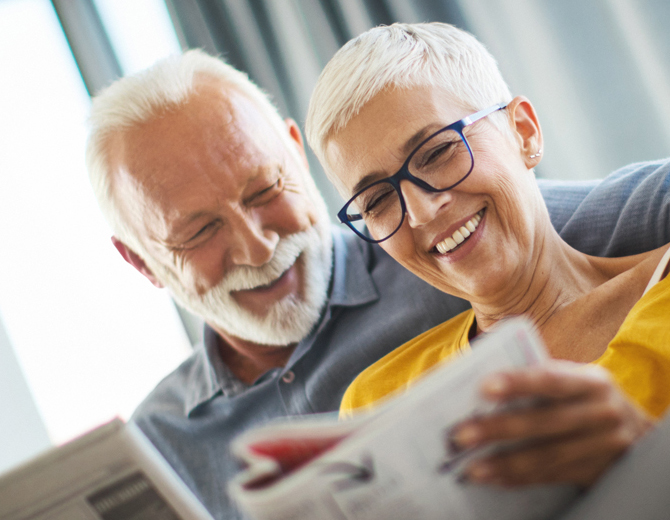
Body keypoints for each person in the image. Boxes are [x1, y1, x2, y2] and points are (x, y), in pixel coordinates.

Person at [85, 50, 669, 519]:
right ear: (142, 263)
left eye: (265, 192)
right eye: (201, 230)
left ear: (295, 153)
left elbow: (539, 238)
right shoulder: (154, 449)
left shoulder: (467, 241)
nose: (257, 246)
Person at [306, 22, 670, 490]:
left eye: (437, 152)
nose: (418, 212)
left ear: (524, 131)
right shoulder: (377, 403)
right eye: (376, 201)